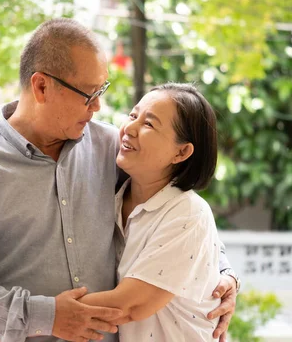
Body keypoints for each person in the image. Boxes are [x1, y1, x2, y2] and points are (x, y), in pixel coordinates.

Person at [0, 18, 239, 342]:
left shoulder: (113, 148)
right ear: (42, 86)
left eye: (101, 91)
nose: (99, 106)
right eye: (88, 94)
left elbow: (174, 211)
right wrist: (18, 317)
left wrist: (224, 273)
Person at [77, 83, 226, 341]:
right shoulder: (111, 199)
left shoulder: (188, 213)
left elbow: (126, 306)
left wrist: (24, 316)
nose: (129, 128)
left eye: (149, 124)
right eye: (133, 115)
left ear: (181, 152)